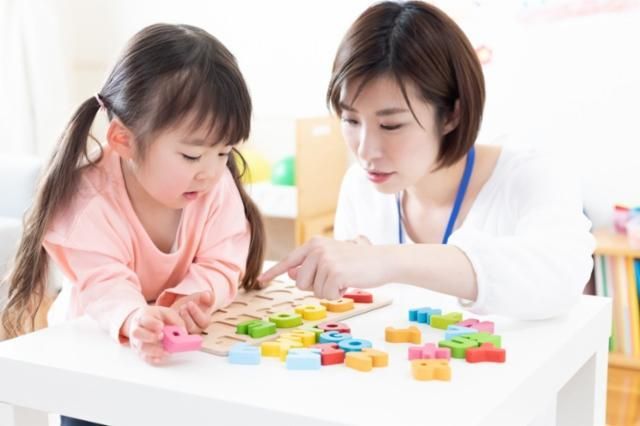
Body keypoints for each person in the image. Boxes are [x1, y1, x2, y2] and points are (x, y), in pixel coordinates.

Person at [259, 1, 594, 321]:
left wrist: (385, 261)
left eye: (391, 125)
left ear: (451, 114)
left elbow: (561, 277)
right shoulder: (360, 188)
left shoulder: (529, 175)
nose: (365, 151)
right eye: (351, 120)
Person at [1, 23, 265, 367]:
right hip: (90, 350)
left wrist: (193, 297)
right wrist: (135, 317)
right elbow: (104, 283)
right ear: (124, 140)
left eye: (224, 152)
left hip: (173, 352)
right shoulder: (87, 203)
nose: (212, 172)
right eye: (192, 156)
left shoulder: (213, 184)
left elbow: (222, 261)